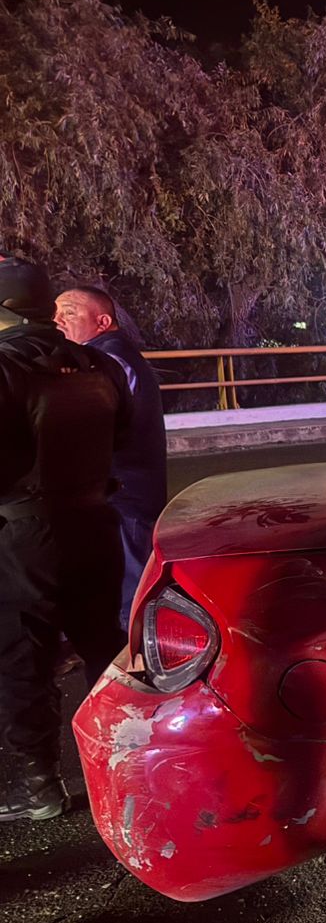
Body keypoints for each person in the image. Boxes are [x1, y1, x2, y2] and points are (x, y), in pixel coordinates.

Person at [0, 254, 130, 822]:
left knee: (23, 658)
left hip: (25, 533)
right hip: (94, 523)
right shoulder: (94, 363)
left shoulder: (4, 366)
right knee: (103, 648)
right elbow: (119, 434)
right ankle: (131, 765)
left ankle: (39, 786)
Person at [55, 286, 168, 627]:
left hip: (123, 494)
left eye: (69, 312)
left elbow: (85, 425)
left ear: (102, 321)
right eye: (55, 312)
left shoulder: (106, 362)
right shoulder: (112, 355)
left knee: (132, 592)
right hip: (126, 491)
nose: (57, 320)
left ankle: (141, 662)